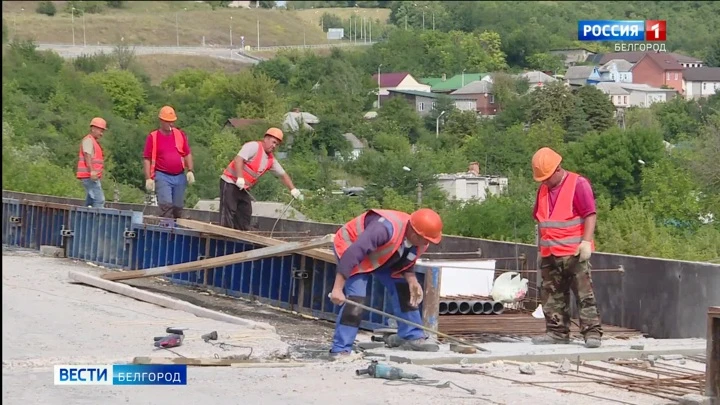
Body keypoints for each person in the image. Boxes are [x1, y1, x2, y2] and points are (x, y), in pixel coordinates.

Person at [328, 208, 444, 359]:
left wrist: (412, 280)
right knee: (356, 299)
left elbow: (405, 261)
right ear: (415, 235)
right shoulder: (383, 229)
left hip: (381, 254)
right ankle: (340, 349)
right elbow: (353, 254)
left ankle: (412, 336)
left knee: (405, 289)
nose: (428, 243)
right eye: (426, 240)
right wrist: (337, 289)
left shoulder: (420, 239)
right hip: (351, 246)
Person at [530, 147, 603, 349]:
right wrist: (539, 250)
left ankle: (592, 333)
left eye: (546, 177)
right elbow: (541, 221)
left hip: (574, 252)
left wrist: (586, 242)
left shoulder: (578, 184)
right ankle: (556, 332)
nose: (544, 181)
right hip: (550, 253)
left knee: (584, 294)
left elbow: (590, 214)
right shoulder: (543, 190)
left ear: (557, 169)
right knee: (552, 296)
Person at [219, 127, 303, 231]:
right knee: (228, 211)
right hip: (230, 182)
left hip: (243, 188)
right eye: (273, 142)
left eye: (276, 144)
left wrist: (293, 189)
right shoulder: (253, 147)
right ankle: (224, 236)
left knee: (245, 213)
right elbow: (238, 159)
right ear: (266, 139)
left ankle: (241, 235)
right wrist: (240, 178)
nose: (274, 146)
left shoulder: (270, 160)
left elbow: (283, 174)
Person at [143, 106, 195, 219]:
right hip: (162, 175)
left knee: (178, 207)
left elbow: (187, 153)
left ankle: (176, 229)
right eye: (168, 122)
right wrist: (148, 178)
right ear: (161, 121)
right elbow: (147, 158)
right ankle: (166, 230)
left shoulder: (180, 135)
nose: (171, 124)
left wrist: (190, 170)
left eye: (172, 122)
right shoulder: (153, 137)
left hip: (179, 175)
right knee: (166, 205)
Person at [76, 117, 108, 208]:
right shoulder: (88, 140)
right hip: (89, 176)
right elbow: (87, 155)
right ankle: (96, 221)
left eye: (103, 131)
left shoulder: (93, 141)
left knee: (90, 200)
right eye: (100, 130)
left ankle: (84, 220)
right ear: (93, 128)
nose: (101, 133)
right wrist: (92, 171)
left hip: (90, 176)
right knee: (99, 199)